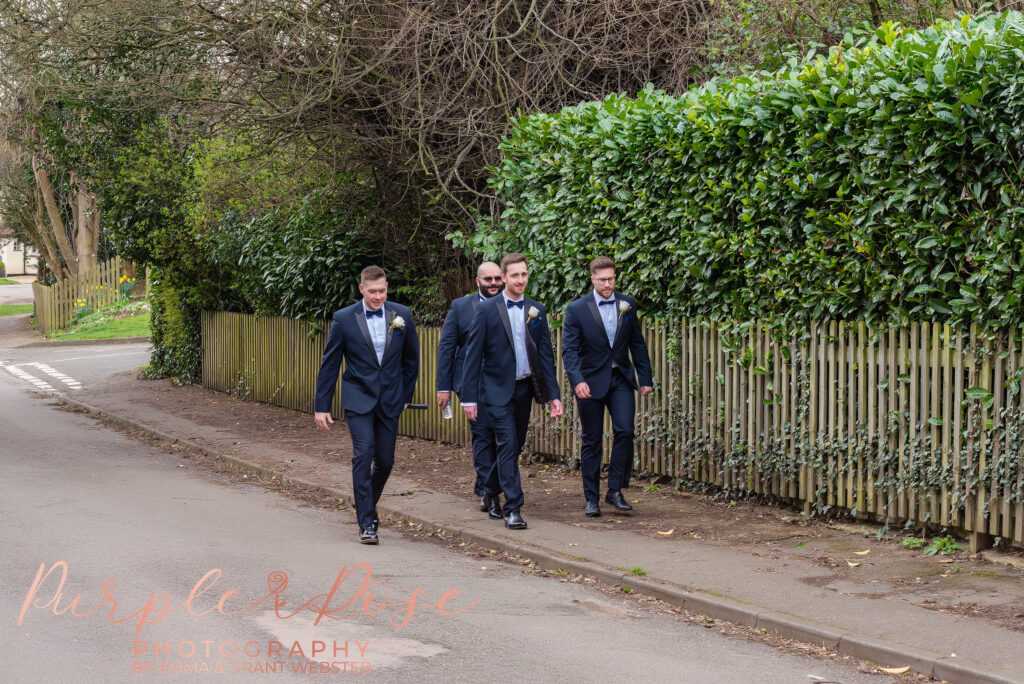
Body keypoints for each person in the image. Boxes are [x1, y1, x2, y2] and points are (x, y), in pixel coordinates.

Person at [313, 265, 419, 544]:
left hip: (391, 400)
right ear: (361, 289)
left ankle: (364, 503)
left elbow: (411, 361)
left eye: (382, 291)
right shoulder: (344, 318)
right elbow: (330, 364)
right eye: (372, 291)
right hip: (358, 398)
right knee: (363, 454)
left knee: (385, 461)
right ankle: (366, 523)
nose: (378, 296)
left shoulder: (402, 315)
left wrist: (406, 396)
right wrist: (321, 406)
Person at [461, 253, 563, 530]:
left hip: (524, 389)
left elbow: (545, 355)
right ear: (504, 277)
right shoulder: (486, 309)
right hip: (494, 390)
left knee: (514, 446)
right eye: (515, 275)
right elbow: (473, 356)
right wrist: (468, 398)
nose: (521, 280)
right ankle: (514, 507)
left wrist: (553, 395)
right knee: (506, 443)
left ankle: (490, 489)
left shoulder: (536, 310)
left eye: (525, 274)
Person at [561, 256, 653, 518]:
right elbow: (569, 350)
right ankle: (591, 498)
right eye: (602, 280)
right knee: (592, 440)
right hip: (589, 382)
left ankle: (614, 490)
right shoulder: (577, 309)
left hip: (620, 379)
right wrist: (577, 380)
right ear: (592, 279)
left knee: (625, 430)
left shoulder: (627, 304)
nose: (608, 284)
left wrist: (645, 378)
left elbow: (637, 343)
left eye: (611, 279)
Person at [435, 261, 504, 513]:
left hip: (502, 381)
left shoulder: (510, 303)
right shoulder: (460, 307)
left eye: (497, 278)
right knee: (483, 434)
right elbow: (447, 347)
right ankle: (488, 491)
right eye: (489, 279)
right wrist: (443, 386)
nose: (494, 283)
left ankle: (485, 481)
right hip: (470, 382)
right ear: (478, 282)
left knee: (501, 438)